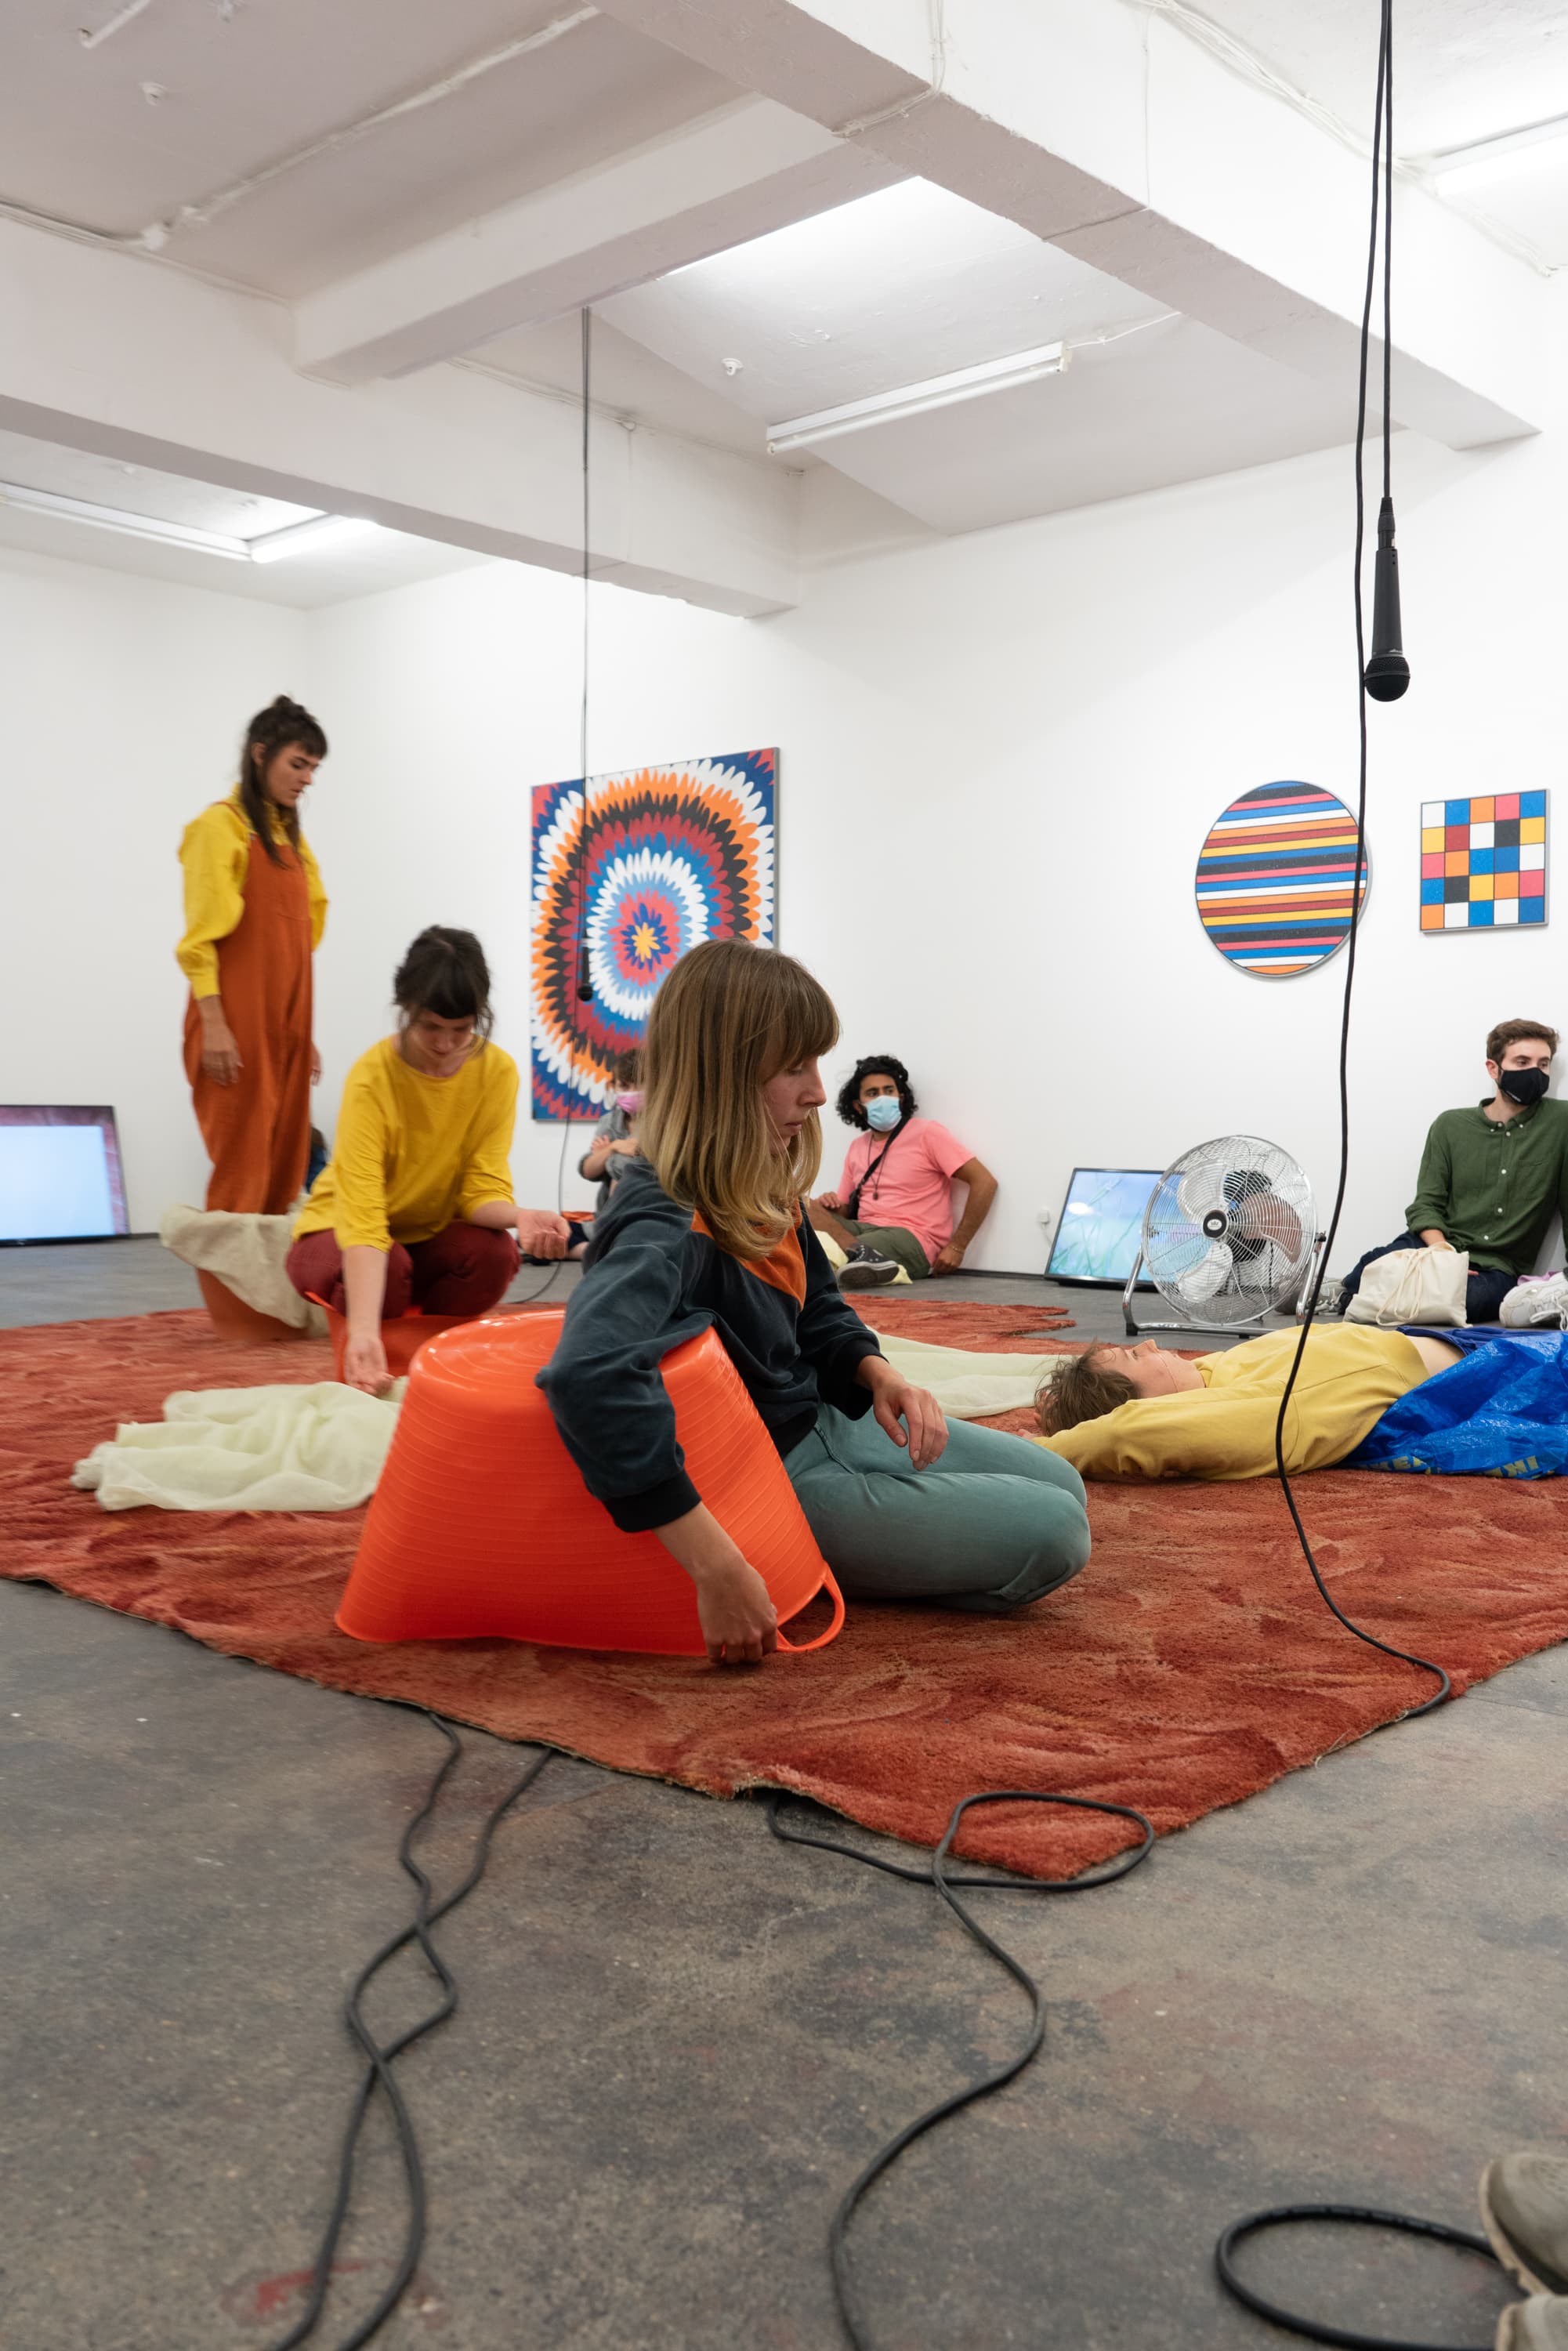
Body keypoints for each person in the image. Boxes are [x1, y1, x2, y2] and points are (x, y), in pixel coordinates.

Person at [537, 940, 1089, 1666]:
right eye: (796, 1066)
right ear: (723, 1071)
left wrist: (876, 1374)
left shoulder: (763, 1181)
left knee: (1064, 1482)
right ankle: (807, 1559)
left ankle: (881, 1550)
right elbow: (587, 1376)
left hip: (830, 1420)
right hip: (774, 1475)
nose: (820, 1092)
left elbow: (820, 1308)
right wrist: (714, 1565)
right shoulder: (661, 1217)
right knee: (1055, 1534)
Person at [287, 928, 570, 1394]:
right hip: (338, 1231)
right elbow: (363, 1216)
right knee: (391, 1270)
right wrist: (362, 1332)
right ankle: (372, 1348)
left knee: (495, 1254)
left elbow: (479, 1190)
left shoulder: (496, 1073)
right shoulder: (372, 1077)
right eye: (430, 1028)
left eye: (461, 1031)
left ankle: (433, 1358)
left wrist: (523, 1216)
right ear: (406, 1011)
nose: (445, 1045)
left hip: (424, 1238)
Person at [1034, 1320, 1568, 1482]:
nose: (1148, 1343)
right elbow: (1128, 1433)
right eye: (1133, 1357)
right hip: (1503, 1367)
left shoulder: (1207, 1374)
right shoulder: (1258, 1410)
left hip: (1457, 1337)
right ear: (1144, 1402)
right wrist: (1048, 1449)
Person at [177, 695, 329, 1212]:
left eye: (313, 768)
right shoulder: (217, 828)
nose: (307, 778)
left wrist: (301, 1036)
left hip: (285, 1024)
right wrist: (214, 1023)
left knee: (285, 1170)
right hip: (235, 1021)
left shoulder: (292, 843)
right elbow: (200, 940)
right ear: (260, 755)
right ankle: (229, 1292)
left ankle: (269, 1292)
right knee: (242, 1170)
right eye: (298, 763)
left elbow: (296, 949)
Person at [1329, 1020, 1568, 1326]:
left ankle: (1368, 1302)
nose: (1536, 1072)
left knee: (1469, 1300)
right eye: (1522, 1062)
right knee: (1367, 1269)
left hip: (1494, 1268)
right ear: (1494, 1069)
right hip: (1433, 1247)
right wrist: (1443, 1255)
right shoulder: (1450, 1126)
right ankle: (1348, 1296)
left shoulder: (1560, 1123)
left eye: (1543, 1064)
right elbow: (1426, 1203)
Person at [806, 1054, 998, 1289]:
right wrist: (829, 1205)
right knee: (804, 1208)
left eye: (889, 1090)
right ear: (858, 1106)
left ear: (901, 1098)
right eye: (873, 1093)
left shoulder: (927, 1133)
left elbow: (985, 1182)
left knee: (818, 1247)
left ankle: (852, 1257)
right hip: (864, 1229)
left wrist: (957, 1246)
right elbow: (845, 1210)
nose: (883, 1098)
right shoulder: (858, 1147)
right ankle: (861, 1257)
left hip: (913, 1237)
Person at [578, 1049, 643, 1213]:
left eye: (640, 1085)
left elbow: (628, 1171)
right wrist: (614, 1147)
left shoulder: (661, 1124)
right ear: (614, 1086)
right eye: (625, 1086)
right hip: (604, 1218)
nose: (632, 1093)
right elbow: (588, 1171)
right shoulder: (609, 1121)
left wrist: (606, 1156)